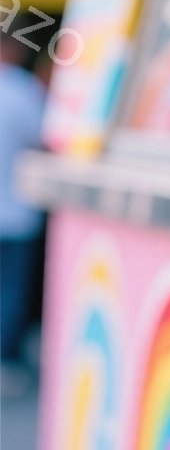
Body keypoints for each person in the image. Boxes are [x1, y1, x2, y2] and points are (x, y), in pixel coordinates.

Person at [0, 34, 46, 392]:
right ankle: (4, 362)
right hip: (15, 210)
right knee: (11, 290)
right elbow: (45, 140)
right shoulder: (23, 91)